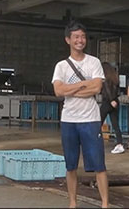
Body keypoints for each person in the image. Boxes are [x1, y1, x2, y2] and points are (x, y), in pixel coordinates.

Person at [51, 21, 109, 209]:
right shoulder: (61, 66)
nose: (80, 40)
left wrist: (70, 89)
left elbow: (97, 87)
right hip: (69, 121)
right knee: (71, 165)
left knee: (99, 165)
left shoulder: (94, 62)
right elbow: (58, 91)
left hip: (91, 120)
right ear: (68, 39)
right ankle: (72, 203)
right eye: (76, 37)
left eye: (82, 36)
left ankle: (105, 204)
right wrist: (83, 86)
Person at [100, 62, 125, 154]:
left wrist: (111, 100)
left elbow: (106, 89)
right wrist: (114, 100)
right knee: (115, 124)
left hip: (107, 102)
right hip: (115, 102)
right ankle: (120, 144)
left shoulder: (105, 78)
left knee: (98, 123)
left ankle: (96, 142)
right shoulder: (115, 78)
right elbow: (117, 91)